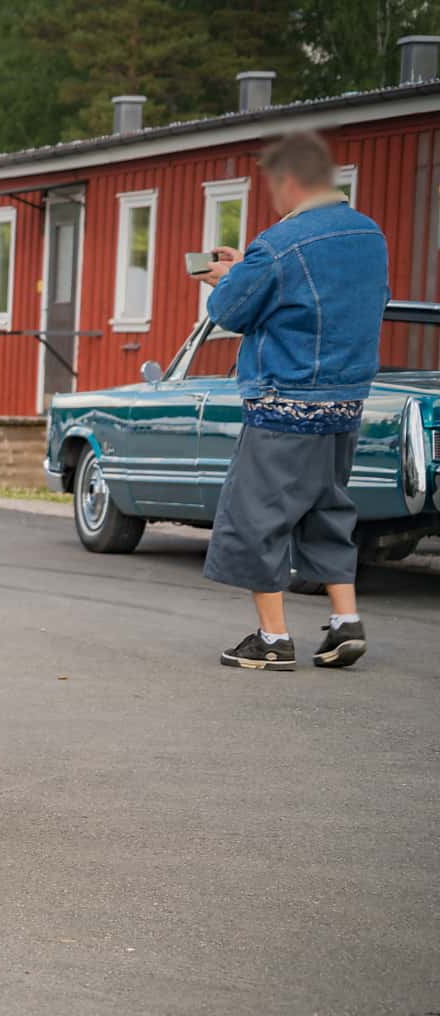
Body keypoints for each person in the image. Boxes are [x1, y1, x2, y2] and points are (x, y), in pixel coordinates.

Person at [198, 130, 387, 671]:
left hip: (285, 400)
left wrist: (225, 277)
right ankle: (345, 623)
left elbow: (232, 311)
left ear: (289, 182)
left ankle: (273, 637)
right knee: (328, 508)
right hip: (346, 400)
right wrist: (247, 267)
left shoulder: (280, 242)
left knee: (257, 514)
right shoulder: (369, 233)